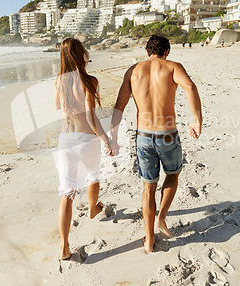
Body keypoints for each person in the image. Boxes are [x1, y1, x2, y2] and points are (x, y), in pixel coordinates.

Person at [110, 35, 202, 253]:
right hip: (167, 134)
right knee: (172, 175)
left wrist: (113, 137)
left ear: (146, 50)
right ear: (167, 51)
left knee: (148, 187)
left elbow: (119, 106)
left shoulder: (133, 71)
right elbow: (190, 87)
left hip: (143, 136)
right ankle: (161, 217)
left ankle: (149, 240)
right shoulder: (172, 67)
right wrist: (196, 120)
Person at [54, 38, 113, 260]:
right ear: (81, 54)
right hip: (86, 139)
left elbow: (57, 106)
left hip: (66, 140)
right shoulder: (90, 80)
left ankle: (64, 247)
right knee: (93, 175)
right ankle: (92, 209)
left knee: (67, 193)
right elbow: (91, 116)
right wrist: (106, 140)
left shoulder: (60, 81)